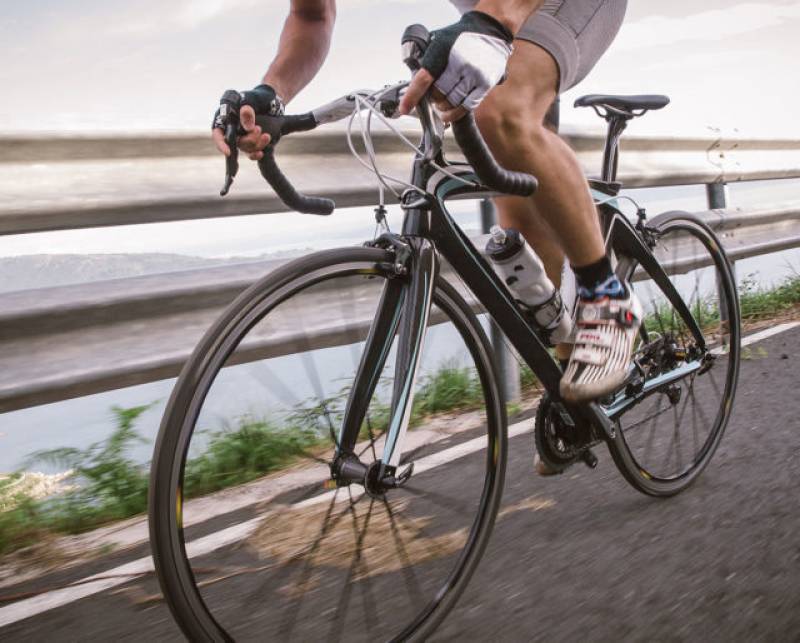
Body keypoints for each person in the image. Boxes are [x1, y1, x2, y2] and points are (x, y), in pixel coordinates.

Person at [212, 0, 640, 405]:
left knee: (499, 113)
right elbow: (310, 17)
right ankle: (576, 394)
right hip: (494, 16)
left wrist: (493, 23)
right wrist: (272, 91)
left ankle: (608, 298)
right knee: (525, 237)